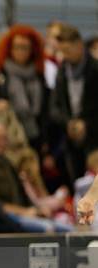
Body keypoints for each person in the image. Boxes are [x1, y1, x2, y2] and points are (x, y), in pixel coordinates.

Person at [0, 119, 70, 233]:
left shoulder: (6, 161)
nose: (2, 143)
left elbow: (22, 193)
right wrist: (24, 212)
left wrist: (37, 210)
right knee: (48, 228)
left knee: (68, 228)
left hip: (21, 215)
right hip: (1, 220)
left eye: (4, 138)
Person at [0, 24, 50, 154]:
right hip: (7, 134)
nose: (21, 51)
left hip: (34, 134)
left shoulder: (38, 75)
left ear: (32, 49)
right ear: (9, 48)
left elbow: (44, 110)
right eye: (17, 47)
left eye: (25, 47)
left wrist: (46, 140)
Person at [50, 24, 98, 182]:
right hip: (71, 138)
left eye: (68, 50)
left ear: (79, 45)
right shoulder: (62, 71)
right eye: (62, 51)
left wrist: (86, 125)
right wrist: (68, 123)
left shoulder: (95, 69)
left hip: (94, 136)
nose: (64, 55)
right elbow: (55, 107)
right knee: (77, 183)